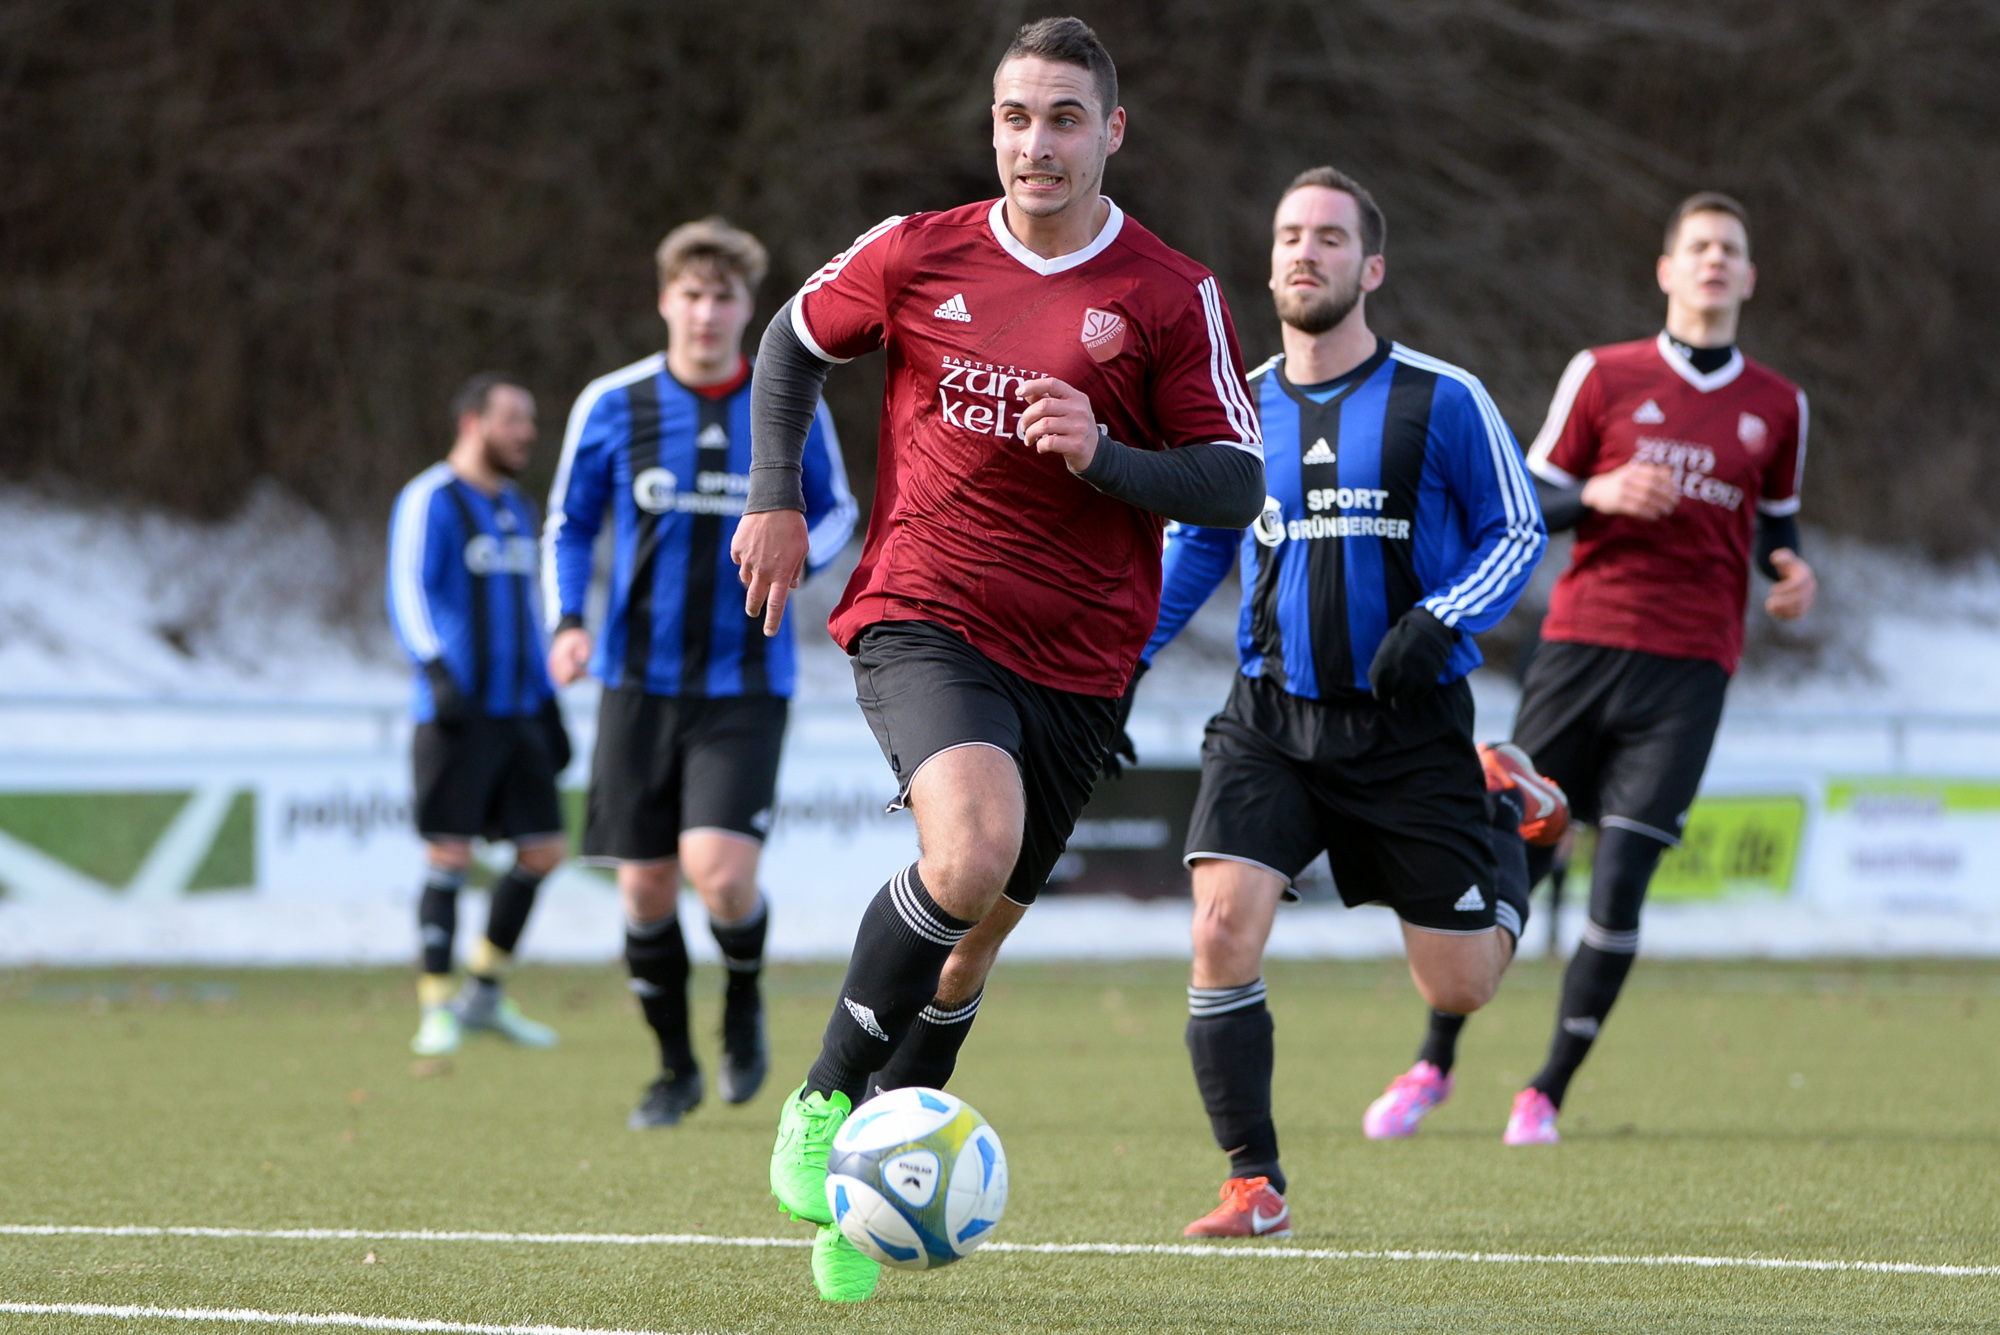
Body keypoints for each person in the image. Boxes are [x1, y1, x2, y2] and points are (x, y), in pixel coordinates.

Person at [732, 17, 1266, 1301]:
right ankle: (819, 1100)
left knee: (966, 950)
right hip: (925, 608)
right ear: (992, 128)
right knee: (967, 855)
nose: (1037, 143)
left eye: (1064, 117)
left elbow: (1235, 480)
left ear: (1110, 132)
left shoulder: (1167, 291)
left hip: (1081, 660)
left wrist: (1106, 457)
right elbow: (790, 343)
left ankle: (862, 1204)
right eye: (1016, 117)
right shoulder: (917, 250)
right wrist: (774, 495)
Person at [1136, 167, 1560, 1237]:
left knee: (1459, 987)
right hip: (1269, 719)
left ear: (1369, 268)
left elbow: (1516, 528)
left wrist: (1442, 617)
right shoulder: (1234, 407)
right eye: (1290, 234)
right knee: (1220, 926)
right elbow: (1194, 552)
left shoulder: (1442, 396)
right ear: (1269, 261)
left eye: (1329, 237)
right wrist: (1117, 663)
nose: (1305, 251)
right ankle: (1254, 1182)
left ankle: (1511, 814)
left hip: (1409, 731)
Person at [1384, 191, 1817, 1147]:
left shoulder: (1779, 404)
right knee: (1519, 848)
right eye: (1698, 246)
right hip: (1581, 649)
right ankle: (1432, 1063)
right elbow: (1526, 503)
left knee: (1621, 878)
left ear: (1749, 277)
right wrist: (1604, 491)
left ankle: (1545, 1091)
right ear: (1668, 269)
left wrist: (1789, 572)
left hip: (1690, 668)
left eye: (1730, 249)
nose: (1714, 260)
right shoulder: (1604, 373)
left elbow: (1776, 528)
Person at [543, 218, 857, 1130]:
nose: (707, 312)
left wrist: (802, 553)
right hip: (636, 682)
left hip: (745, 683)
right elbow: (569, 522)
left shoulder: (784, 400)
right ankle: (674, 1069)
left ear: (748, 307)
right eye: (692, 294)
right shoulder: (615, 403)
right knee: (644, 889)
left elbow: (837, 510)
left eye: (724, 296)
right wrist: (567, 621)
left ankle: (744, 1000)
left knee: (718, 877)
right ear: (664, 301)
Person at [387, 373, 568, 1057]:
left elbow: (529, 609)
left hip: (519, 709)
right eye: (514, 418)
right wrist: (434, 670)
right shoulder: (430, 497)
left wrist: (548, 701)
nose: (527, 432)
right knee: (449, 853)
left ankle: (483, 993)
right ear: (473, 423)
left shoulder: (518, 507)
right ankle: (436, 1006)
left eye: (530, 419)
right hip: (455, 712)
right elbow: (407, 589)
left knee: (544, 851)